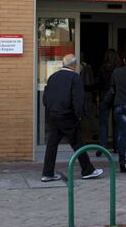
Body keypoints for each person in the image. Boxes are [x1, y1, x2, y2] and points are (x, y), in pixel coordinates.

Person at [41, 54, 103, 182]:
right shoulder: (75, 78)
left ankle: (47, 173)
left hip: (53, 115)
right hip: (68, 115)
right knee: (78, 143)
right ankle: (88, 170)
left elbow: (45, 98)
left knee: (52, 144)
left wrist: (52, 108)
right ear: (74, 65)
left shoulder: (53, 77)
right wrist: (78, 116)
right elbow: (78, 99)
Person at [96, 48, 120, 156]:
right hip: (117, 97)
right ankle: (117, 147)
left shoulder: (102, 68)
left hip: (104, 96)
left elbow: (98, 84)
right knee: (116, 123)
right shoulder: (119, 69)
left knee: (103, 123)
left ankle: (102, 147)